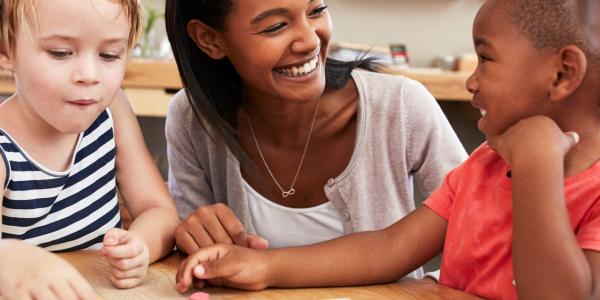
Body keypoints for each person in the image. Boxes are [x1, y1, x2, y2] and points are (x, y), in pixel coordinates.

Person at [175, 0, 600, 299]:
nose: (471, 81)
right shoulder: (483, 167)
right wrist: (265, 267)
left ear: (563, 74)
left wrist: (537, 164)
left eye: (485, 60)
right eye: (274, 25)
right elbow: (390, 247)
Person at [164, 0, 467, 283]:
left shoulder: (400, 105)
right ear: (210, 39)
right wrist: (187, 235)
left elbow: (483, 231)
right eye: (275, 27)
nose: (310, 40)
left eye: (316, 9)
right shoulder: (194, 120)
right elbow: (196, 269)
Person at [0, 0, 179, 298]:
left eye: (109, 55)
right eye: (60, 53)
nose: (89, 74)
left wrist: (140, 245)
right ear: (6, 51)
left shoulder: (112, 111)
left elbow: (159, 210)